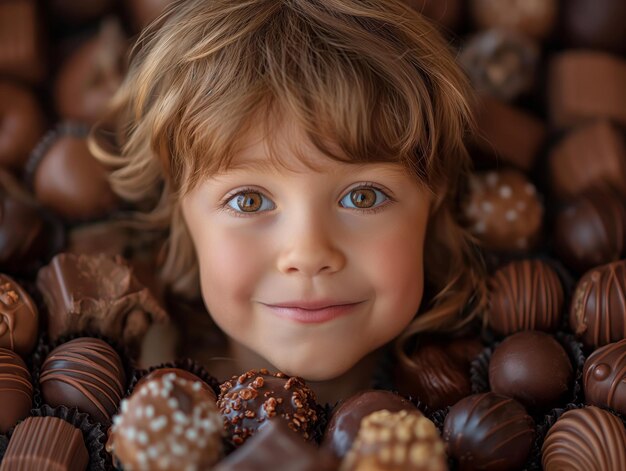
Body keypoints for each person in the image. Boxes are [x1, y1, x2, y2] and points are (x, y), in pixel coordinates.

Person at [90, 0, 486, 403]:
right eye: (249, 201)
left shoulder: (482, 400)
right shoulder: (131, 395)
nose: (310, 253)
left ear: (434, 199)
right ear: (181, 212)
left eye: (362, 196)